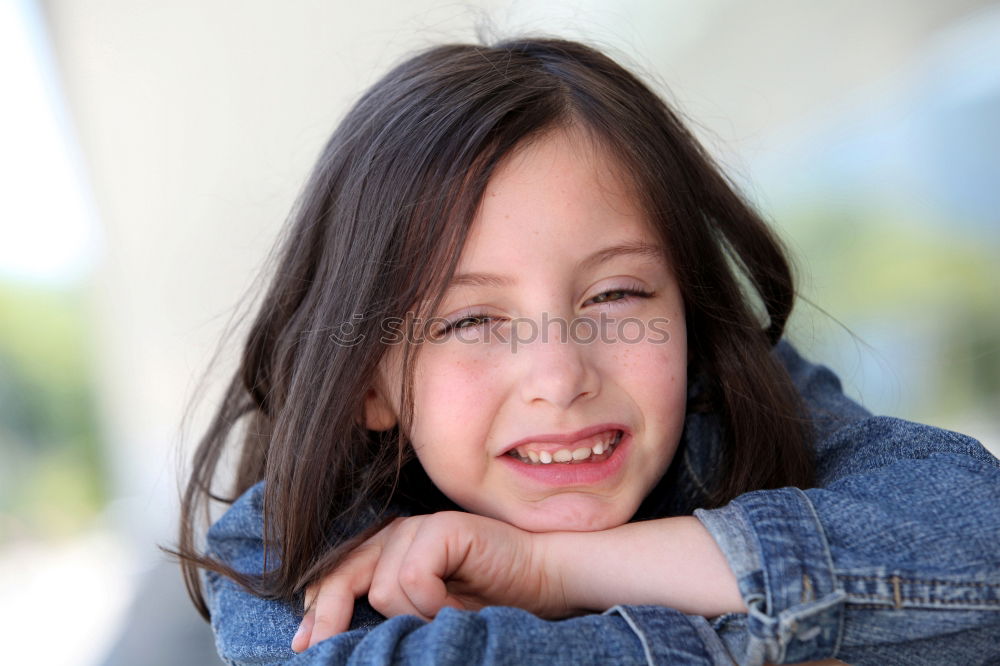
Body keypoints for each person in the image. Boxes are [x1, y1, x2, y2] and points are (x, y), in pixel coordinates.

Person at [174, 38, 1000, 665]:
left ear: (688, 311)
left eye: (615, 296)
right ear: (369, 385)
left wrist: (551, 569)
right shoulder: (288, 550)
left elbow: (976, 537)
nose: (562, 376)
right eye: (469, 322)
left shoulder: (734, 398)